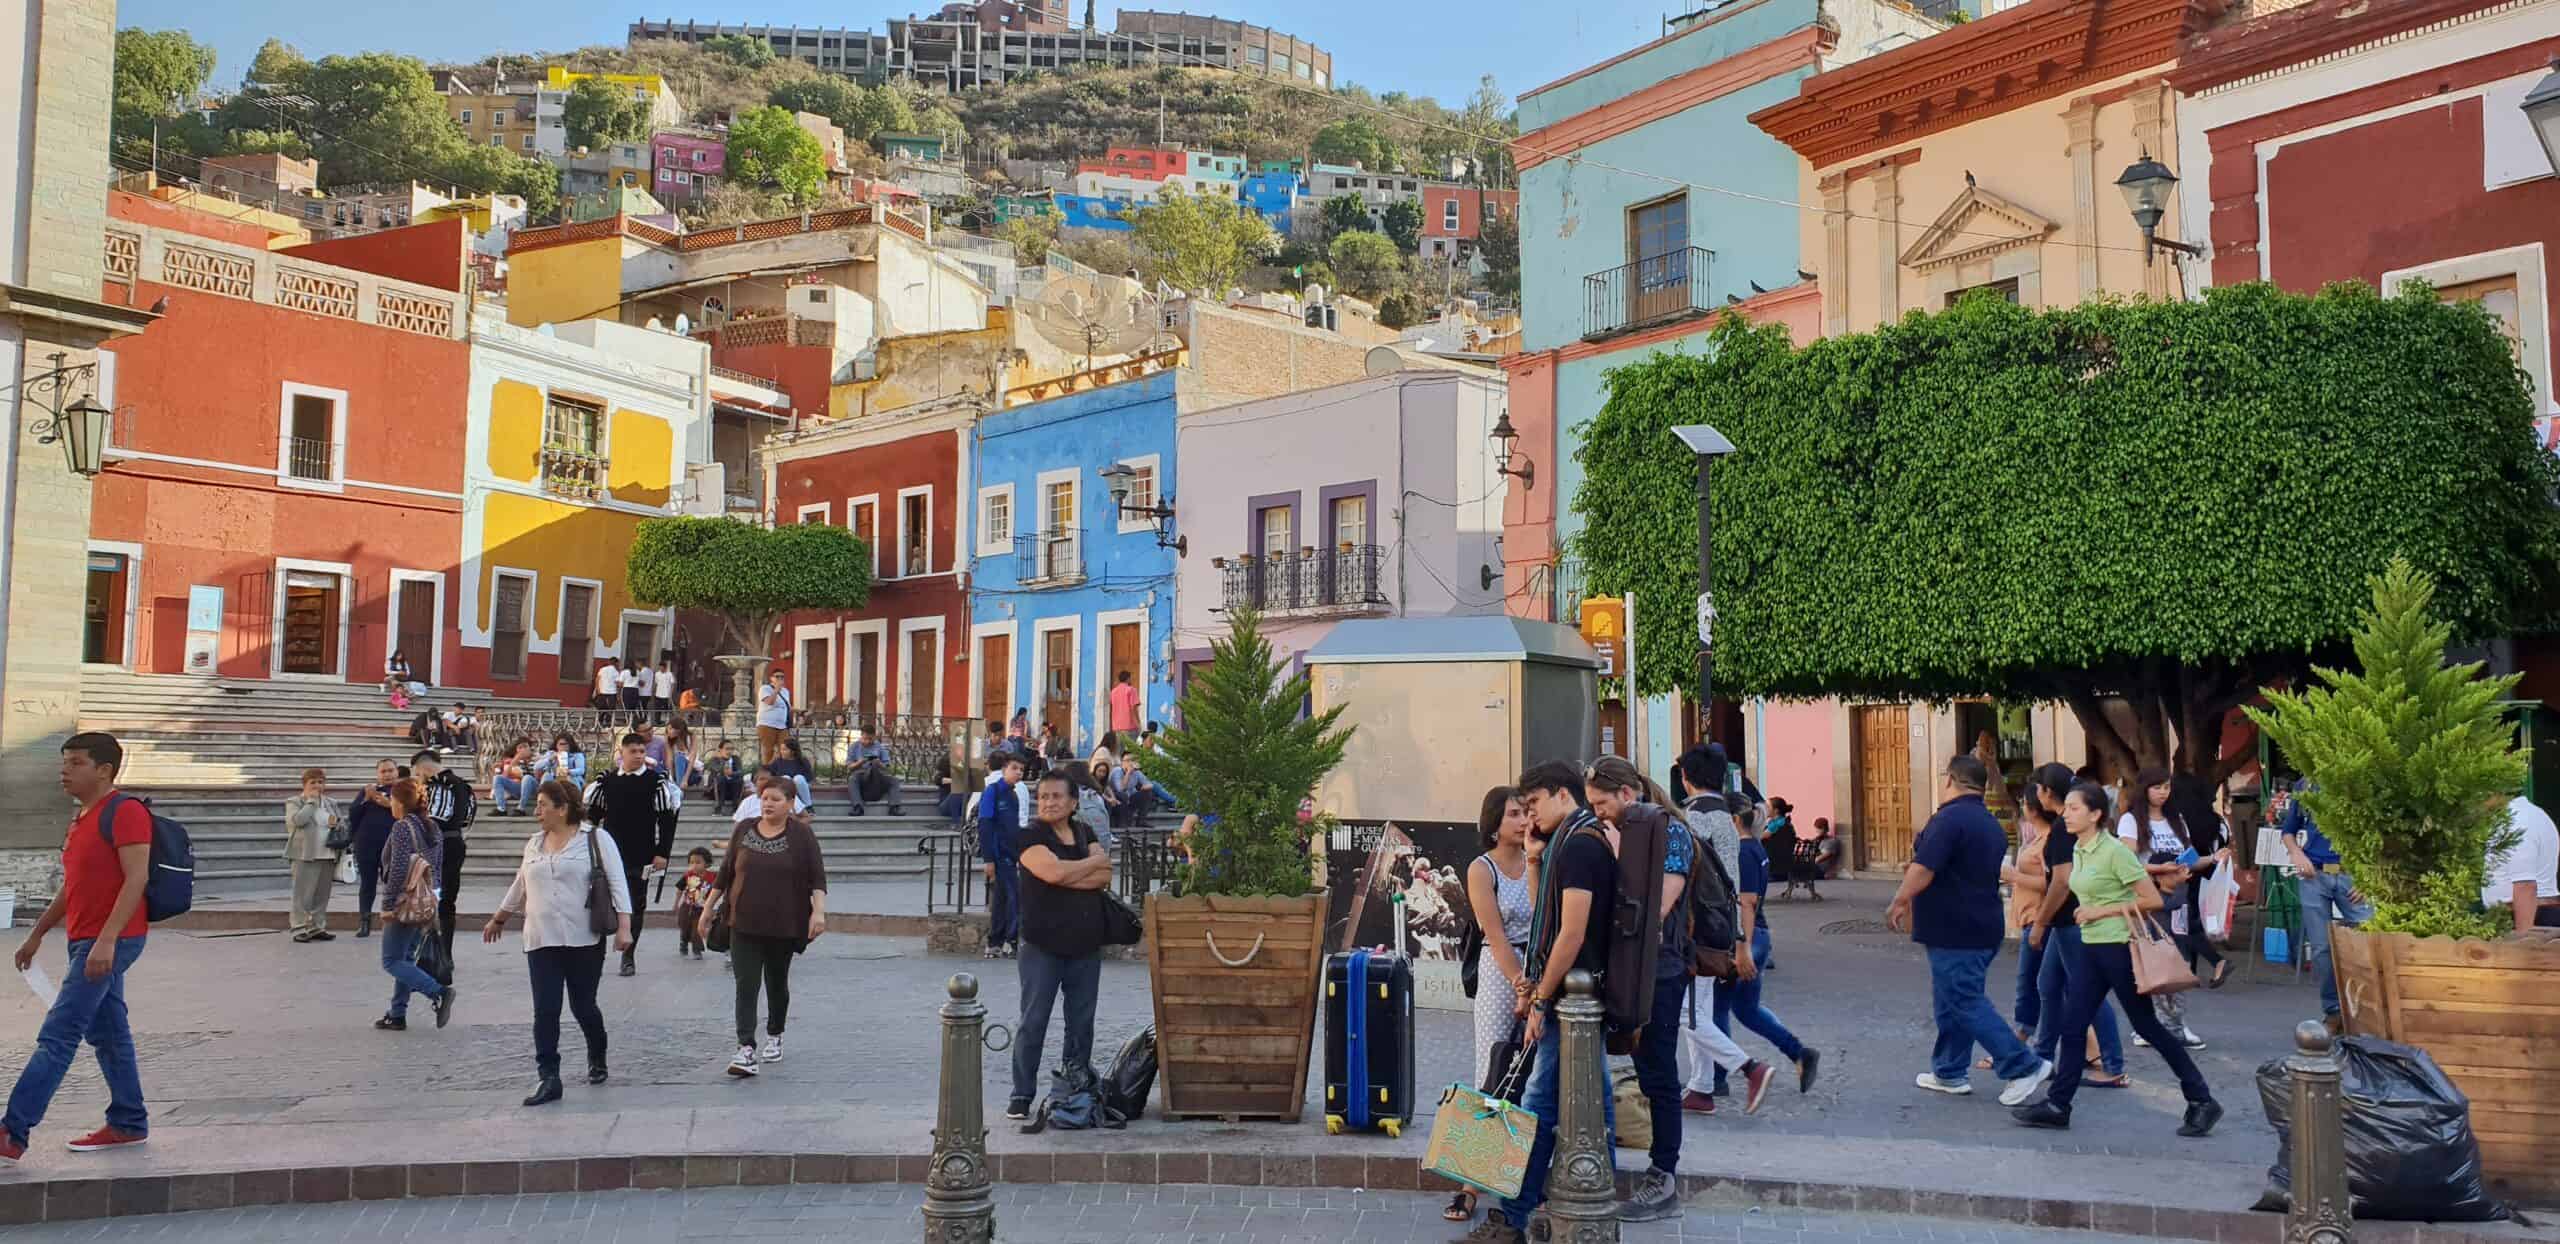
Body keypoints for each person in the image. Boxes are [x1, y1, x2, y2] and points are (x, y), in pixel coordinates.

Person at [1466, 760, 1619, 1244]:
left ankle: (1512, 1217)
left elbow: (1568, 934)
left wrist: (1540, 998)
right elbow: (1544, 919)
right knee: (1596, 1099)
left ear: (1559, 795)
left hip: (1570, 999)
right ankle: (1596, 1197)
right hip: (1577, 997)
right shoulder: (1569, 842)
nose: (1529, 817)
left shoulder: (1576, 847)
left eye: (1532, 805)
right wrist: (1534, 859)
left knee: (1534, 1104)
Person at [2014, 782, 2221, 1136]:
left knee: (2147, 1027)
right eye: (2067, 808)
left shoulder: (2114, 852)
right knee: (2074, 1024)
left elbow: (2151, 900)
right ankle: (2058, 1104)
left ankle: (2202, 1099)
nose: (2066, 813)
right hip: (2091, 949)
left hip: (2118, 949)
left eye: (2075, 808)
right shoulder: (2081, 849)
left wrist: (2099, 911)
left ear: (2096, 815)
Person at [3, 733, 157, 1161]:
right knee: (109, 1034)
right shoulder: (83, 818)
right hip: (84, 940)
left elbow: (136, 878)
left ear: (104, 769)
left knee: (60, 1033)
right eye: (64, 763)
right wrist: (38, 933)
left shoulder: (125, 812)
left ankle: (12, 1131)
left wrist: (106, 941)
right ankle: (128, 1122)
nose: (64, 771)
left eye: (75, 763)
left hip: (113, 940)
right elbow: (72, 889)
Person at [1889, 754, 2051, 1104]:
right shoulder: (1989, 823)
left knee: (1963, 999)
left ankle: (2022, 1065)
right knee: (1951, 999)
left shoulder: (1948, 820)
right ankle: (1949, 1070)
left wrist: (1900, 899)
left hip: (1954, 927)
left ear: (1950, 780)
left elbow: (1924, 867)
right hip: (1981, 923)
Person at [484, 779, 633, 1106]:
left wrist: (624, 928)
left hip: (584, 938)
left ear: (562, 808)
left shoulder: (595, 838)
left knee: (583, 1007)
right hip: (540, 938)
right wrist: (499, 918)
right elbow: (520, 883)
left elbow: (618, 884)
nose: (536, 811)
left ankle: (597, 1053)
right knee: (546, 1010)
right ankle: (548, 1077)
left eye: (542, 805)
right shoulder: (534, 843)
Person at [1447, 785, 1536, 1223]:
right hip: (1501, 973)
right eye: (1515, 814)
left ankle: (1521, 1176)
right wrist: (1519, 982)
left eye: (1526, 812)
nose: (1523, 821)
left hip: (1537, 967)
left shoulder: (1536, 859)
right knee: (1493, 1072)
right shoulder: (1482, 869)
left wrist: (1536, 858)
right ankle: (1470, 1182)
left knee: (1533, 1075)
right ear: (1494, 823)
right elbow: (1494, 933)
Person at [1669, 745, 1771, 1117]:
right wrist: (1740, 939)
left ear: (1685, 777)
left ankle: (1749, 1067)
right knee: (1700, 1011)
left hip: (1696, 926)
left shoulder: (1690, 819)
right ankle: (1701, 1087)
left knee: (1688, 1015)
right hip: (1721, 925)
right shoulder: (1726, 818)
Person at [1005, 771, 1113, 1121]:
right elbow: (1053, 874)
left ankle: (1075, 1086)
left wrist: (1075, 871)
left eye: (1056, 796)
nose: (1049, 802)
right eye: (1043, 796)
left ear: (1073, 802)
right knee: (1033, 1020)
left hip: (1085, 944)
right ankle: (1021, 1093)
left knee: (1081, 1023)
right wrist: (1088, 865)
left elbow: (1105, 875)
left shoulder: (1085, 832)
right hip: (1042, 945)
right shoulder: (1030, 835)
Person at [711, 775, 829, 1077]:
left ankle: (775, 1033)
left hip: (784, 922)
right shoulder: (743, 830)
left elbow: (817, 877)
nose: (768, 804)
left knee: (776, 983)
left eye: (776, 799)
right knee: (745, 984)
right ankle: (746, 1048)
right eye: (765, 798)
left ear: (790, 804)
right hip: (742, 921)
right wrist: (706, 910)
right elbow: (725, 873)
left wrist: (818, 913)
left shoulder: (802, 836)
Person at [2023, 764, 2128, 1088]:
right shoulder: (2067, 826)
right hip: (2067, 920)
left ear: (2046, 792)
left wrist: (2040, 922)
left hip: (2071, 920)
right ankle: (2042, 1057)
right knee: (2049, 984)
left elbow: (2062, 882)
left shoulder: (2060, 831)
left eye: (2037, 787)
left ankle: (2112, 1063)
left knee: (2086, 993)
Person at [2115, 768, 2214, 1048]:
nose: (2162, 792)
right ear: (2144, 788)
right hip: (2149, 896)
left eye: (2166, 787)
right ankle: (2152, 1023)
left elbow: (2188, 858)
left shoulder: (2176, 819)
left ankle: (2176, 1022)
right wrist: (2158, 868)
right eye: (2156, 787)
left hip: (2179, 896)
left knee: (2179, 958)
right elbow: (2126, 860)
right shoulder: (2131, 821)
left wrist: (2209, 859)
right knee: (2153, 959)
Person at [1728, 793, 1817, 1093]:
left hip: (1751, 937)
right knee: (1746, 1009)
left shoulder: (1743, 852)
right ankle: (1798, 1053)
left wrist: (1745, 946)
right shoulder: (1756, 848)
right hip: (1759, 935)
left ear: (1734, 820)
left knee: (1713, 1009)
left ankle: (1715, 1078)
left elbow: (1748, 902)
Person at [583, 733, 680, 978]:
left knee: (636, 905)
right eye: (633, 751)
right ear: (622, 753)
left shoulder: (655, 782)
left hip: (642, 853)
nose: (638, 756)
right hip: (609, 852)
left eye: (642, 751)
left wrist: (662, 853)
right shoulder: (606, 781)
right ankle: (599, 951)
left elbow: (667, 821)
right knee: (605, 902)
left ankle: (629, 956)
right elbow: (593, 818)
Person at [2279, 779, 2370, 1030]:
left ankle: (2367, 1012)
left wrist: (2368, 876)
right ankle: (2333, 1011)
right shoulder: (2305, 784)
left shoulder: (2360, 778)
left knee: (2368, 943)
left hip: (2353, 876)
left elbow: (2380, 832)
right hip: (2314, 875)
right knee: (2321, 948)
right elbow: (2288, 830)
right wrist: (2297, 853)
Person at [374, 778, 456, 1033]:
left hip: (405, 901)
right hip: (427, 899)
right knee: (406, 957)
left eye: (393, 800)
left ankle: (438, 992)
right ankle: (397, 1013)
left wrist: (388, 904)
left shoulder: (402, 828)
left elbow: (398, 869)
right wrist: (434, 900)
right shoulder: (432, 827)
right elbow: (439, 867)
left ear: (399, 803)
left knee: (391, 961)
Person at [412, 749, 476, 965]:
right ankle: (446, 954)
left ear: (423, 768)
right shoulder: (465, 787)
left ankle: (428, 952)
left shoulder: (436, 787)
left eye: (418, 774)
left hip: (434, 845)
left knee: (427, 896)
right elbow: (467, 819)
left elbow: (432, 818)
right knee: (448, 900)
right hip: (456, 843)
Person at [2484, 790, 2560, 932]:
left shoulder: (2517, 821)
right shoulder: (2534, 814)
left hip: (2528, 918)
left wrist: (2523, 940)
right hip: (2536, 914)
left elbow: (2525, 885)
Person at [284, 768, 343, 943]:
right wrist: (311, 803)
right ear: (305, 785)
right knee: (302, 895)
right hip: (304, 854)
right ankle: (299, 928)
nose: (317, 785)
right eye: (313, 782)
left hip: (327, 853)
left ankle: (317, 926)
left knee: (322, 894)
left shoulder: (331, 802)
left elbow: (341, 823)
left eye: (320, 782)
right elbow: (297, 821)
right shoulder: (295, 801)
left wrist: (336, 823)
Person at [979, 755, 1026, 959]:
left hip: (1011, 854)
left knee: (1001, 899)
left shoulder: (1013, 795)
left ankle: (995, 942)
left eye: (1022, 770)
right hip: (999, 855)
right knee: (1015, 897)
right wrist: (988, 858)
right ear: (1005, 769)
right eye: (1015, 768)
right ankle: (1010, 940)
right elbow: (985, 824)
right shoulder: (993, 791)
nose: (1019, 773)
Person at [349, 759, 402, 939]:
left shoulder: (403, 791)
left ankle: (394, 922)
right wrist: (365, 798)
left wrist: (389, 805)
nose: (387, 774)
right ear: (377, 774)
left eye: (390, 770)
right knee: (367, 884)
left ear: (397, 772)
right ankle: (364, 922)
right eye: (383, 771)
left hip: (394, 845)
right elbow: (353, 815)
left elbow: (410, 814)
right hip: (367, 844)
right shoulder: (368, 791)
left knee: (394, 884)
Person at [675, 847, 715, 959]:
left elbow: (717, 891)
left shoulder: (712, 877)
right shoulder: (687, 876)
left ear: (706, 863)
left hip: (702, 909)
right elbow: (679, 890)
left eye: (698, 862)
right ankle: (683, 941)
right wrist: (676, 904)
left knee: (697, 930)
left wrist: (711, 908)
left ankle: (697, 950)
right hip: (686, 907)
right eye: (692, 862)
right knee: (684, 927)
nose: (694, 865)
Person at [847, 729, 899, 815]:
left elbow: (887, 767)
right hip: (862, 774)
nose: (867, 741)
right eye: (865, 739)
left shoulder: (879, 747)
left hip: (877, 774)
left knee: (894, 780)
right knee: (852, 779)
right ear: (861, 737)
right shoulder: (854, 746)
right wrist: (861, 761)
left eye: (870, 739)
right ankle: (858, 807)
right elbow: (849, 767)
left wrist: (879, 763)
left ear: (874, 737)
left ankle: (894, 808)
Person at [492, 739, 538, 816]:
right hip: (519, 789)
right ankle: (501, 808)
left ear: (530, 748)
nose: (523, 749)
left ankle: (521, 808)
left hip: (534, 789)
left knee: (527, 778)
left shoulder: (537, 758)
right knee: (498, 778)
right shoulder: (514, 761)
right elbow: (505, 776)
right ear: (516, 750)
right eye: (520, 747)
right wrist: (517, 758)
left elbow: (539, 778)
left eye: (525, 746)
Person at [756, 669, 793, 764]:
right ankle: (767, 772)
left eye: (782, 677)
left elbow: (786, 707)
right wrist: (776, 689)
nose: (780, 679)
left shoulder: (785, 691)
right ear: (771, 678)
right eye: (777, 676)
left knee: (786, 749)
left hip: (782, 726)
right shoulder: (765, 688)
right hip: (767, 724)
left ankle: (778, 770)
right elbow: (769, 702)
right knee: (768, 751)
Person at [768, 739, 816, 810]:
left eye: (784, 750)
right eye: (781, 749)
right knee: (785, 778)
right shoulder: (778, 762)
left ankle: (808, 806)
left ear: (792, 751)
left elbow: (808, 778)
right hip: (783, 789)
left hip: (800, 787)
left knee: (798, 778)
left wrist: (794, 783)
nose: (781, 752)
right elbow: (769, 773)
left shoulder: (802, 761)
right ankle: (790, 806)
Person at [705, 741, 745, 813]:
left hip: (732, 791)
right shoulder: (714, 760)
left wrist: (732, 773)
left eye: (732, 749)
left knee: (738, 779)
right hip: (717, 791)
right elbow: (718, 770)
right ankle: (719, 806)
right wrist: (721, 760)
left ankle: (736, 807)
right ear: (720, 750)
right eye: (727, 749)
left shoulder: (736, 759)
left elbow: (741, 772)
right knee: (721, 778)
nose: (730, 751)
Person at [1108, 668, 1142, 739]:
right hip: (1130, 727)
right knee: (1130, 749)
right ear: (1128, 679)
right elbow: (1134, 709)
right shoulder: (1131, 690)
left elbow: (1112, 707)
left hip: (1116, 727)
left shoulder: (1113, 692)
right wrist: (1138, 724)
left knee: (1118, 749)